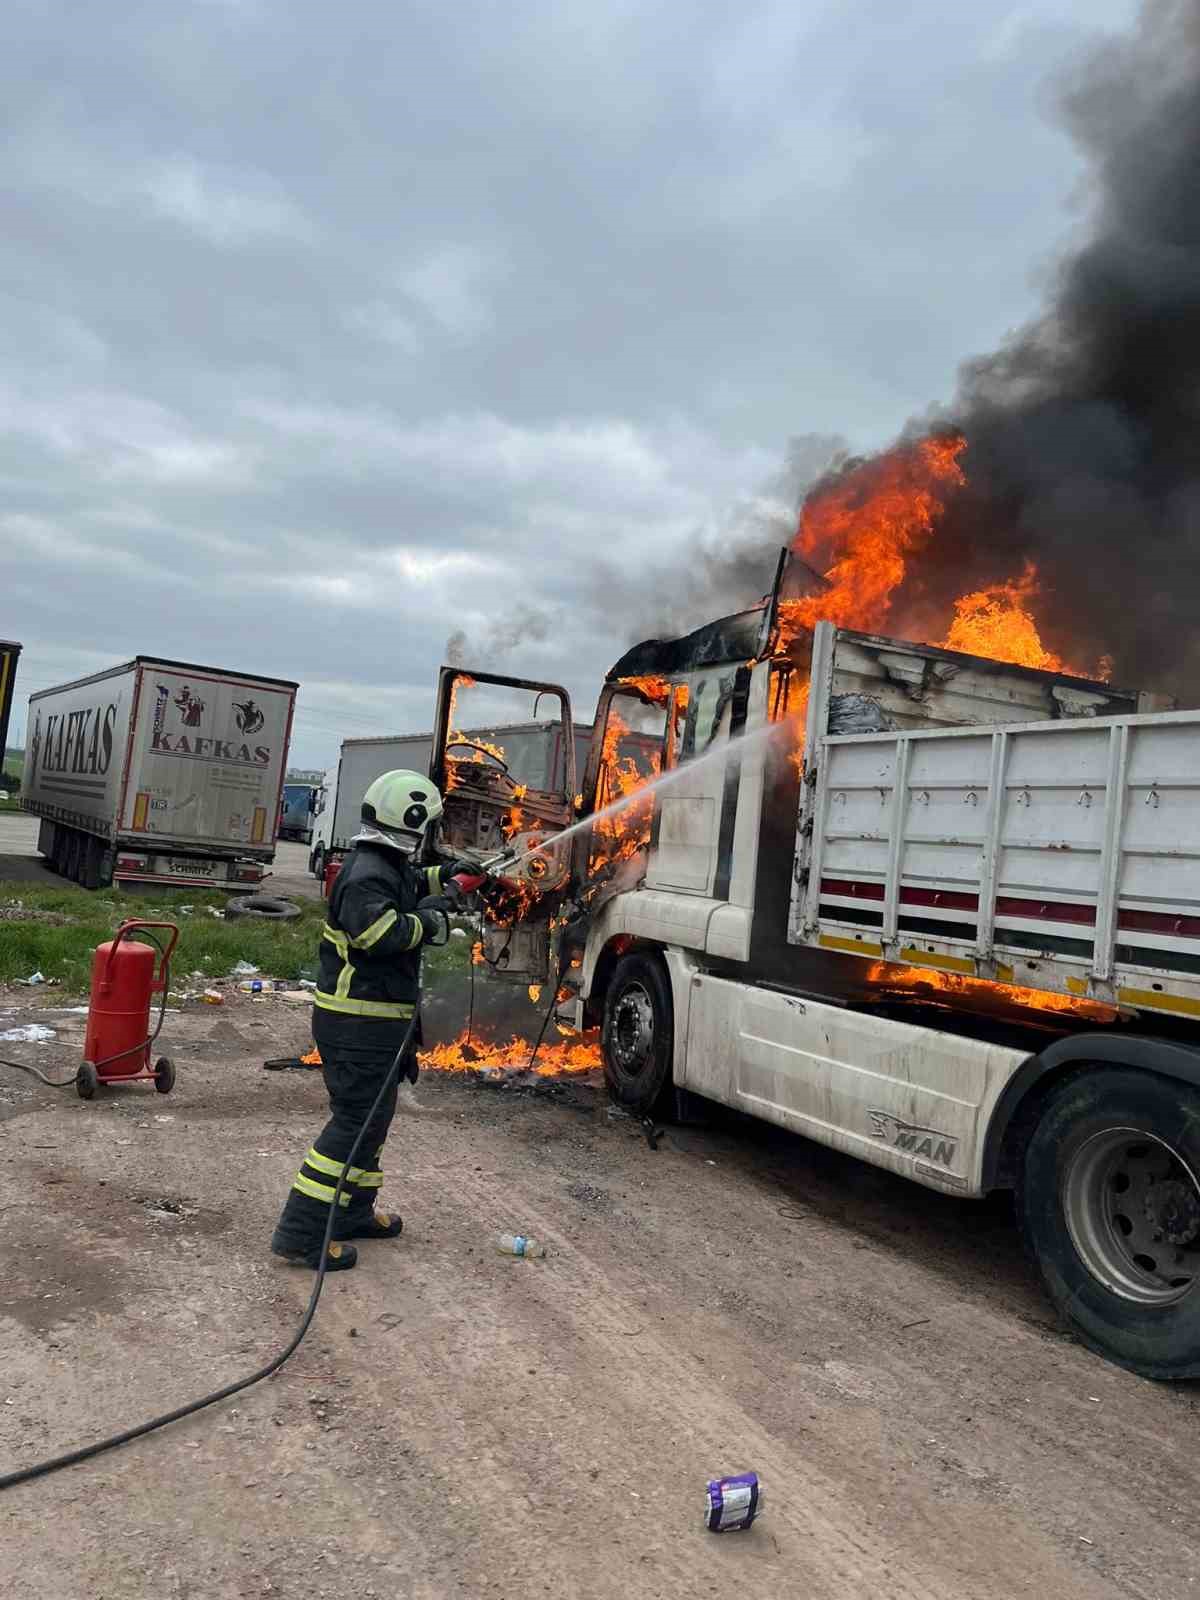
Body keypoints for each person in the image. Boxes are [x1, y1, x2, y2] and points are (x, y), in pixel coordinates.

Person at [271, 770, 482, 1271]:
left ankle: (352, 1212)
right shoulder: (368, 874)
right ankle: (301, 1232)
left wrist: (454, 877)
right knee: (352, 1125)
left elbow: (412, 884)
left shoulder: (383, 863)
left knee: (373, 1122)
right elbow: (381, 934)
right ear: (408, 822)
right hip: (358, 1025)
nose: (428, 834)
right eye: (426, 825)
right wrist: (430, 922)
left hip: (376, 1023)